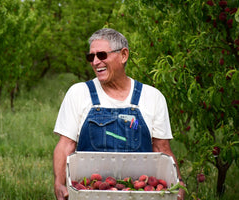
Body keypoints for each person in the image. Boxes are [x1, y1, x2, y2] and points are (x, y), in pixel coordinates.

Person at [53, 28, 185, 200]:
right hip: (91, 193)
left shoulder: (152, 97)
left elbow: (162, 149)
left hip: (138, 194)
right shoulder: (79, 93)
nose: (95, 62)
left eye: (101, 55)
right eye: (90, 57)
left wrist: (178, 181)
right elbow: (65, 145)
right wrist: (59, 183)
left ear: (123, 55)